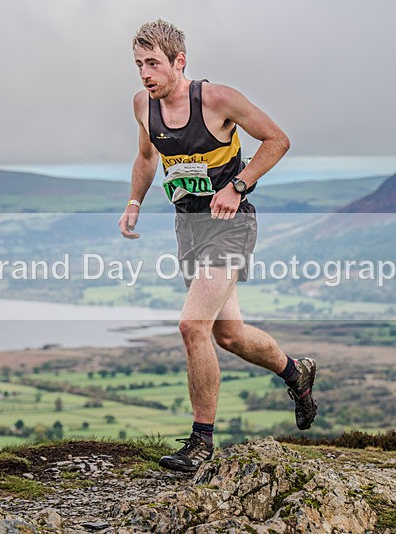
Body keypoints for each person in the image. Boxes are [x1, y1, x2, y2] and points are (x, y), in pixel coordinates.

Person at [119, 19, 317, 472]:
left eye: (153, 63)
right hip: (189, 227)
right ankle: (296, 373)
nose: (145, 73)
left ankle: (200, 443)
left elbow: (277, 139)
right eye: (138, 65)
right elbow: (148, 156)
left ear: (178, 61)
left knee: (192, 325)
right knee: (228, 334)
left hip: (230, 225)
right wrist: (134, 201)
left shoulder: (216, 100)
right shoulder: (142, 106)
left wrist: (239, 186)